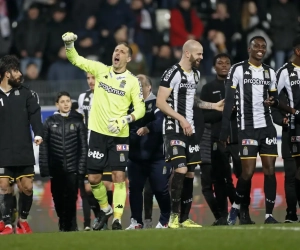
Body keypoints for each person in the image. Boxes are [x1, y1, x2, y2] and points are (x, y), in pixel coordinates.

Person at [62, 32, 145, 230]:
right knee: (93, 179)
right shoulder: (100, 70)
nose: (117, 53)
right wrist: (69, 44)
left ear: (128, 58)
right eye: (116, 50)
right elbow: (76, 59)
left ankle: (116, 218)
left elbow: (140, 108)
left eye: (122, 51)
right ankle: (105, 208)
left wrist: (125, 119)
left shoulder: (133, 81)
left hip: (119, 135)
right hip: (98, 133)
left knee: (118, 177)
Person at [220, 36, 293, 224]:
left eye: (263, 46)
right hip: (247, 128)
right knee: (248, 172)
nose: (260, 49)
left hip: (267, 128)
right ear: (249, 49)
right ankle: (235, 207)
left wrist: (281, 119)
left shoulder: (270, 72)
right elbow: (229, 102)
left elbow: (275, 103)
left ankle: (269, 215)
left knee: (270, 170)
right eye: (257, 46)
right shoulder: (237, 69)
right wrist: (224, 131)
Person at [156, 39, 224, 228]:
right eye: (199, 54)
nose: (201, 57)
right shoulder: (172, 73)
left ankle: (184, 218)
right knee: (181, 170)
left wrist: (212, 106)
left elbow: (191, 99)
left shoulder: (195, 74)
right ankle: (173, 217)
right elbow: (160, 102)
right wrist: (181, 119)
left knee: (189, 174)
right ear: (187, 53)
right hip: (174, 130)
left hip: (190, 130)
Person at [0, 55, 43, 235]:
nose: (20, 73)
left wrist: (38, 133)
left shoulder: (27, 93)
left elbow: (35, 116)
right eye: (16, 71)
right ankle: (7, 223)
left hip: (23, 148)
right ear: (7, 74)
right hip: (2, 151)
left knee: (26, 186)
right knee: (4, 186)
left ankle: (22, 221)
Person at [126, 74, 171, 230]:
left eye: (140, 84)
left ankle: (165, 218)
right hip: (135, 157)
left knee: (160, 189)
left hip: (156, 157)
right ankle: (136, 221)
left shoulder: (157, 103)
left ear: (148, 87)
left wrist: (147, 128)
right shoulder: (128, 104)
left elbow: (159, 123)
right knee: (135, 190)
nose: (137, 88)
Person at [39, 91, 88, 232]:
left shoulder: (78, 122)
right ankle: (64, 223)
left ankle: (71, 228)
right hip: (56, 169)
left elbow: (83, 147)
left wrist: (81, 168)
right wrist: (45, 168)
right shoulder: (49, 122)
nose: (66, 104)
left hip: (73, 169)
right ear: (57, 104)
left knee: (72, 199)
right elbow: (44, 147)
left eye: (68, 101)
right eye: (62, 101)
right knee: (58, 200)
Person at [78, 73, 113, 231]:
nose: (91, 81)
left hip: (106, 145)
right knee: (88, 187)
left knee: (107, 185)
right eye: (88, 78)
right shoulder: (82, 97)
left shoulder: (109, 95)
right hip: (89, 146)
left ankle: (105, 219)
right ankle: (101, 215)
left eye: (94, 78)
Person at [273, 36, 300, 222]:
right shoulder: (284, 72)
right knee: (291, 174)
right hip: (292, 130)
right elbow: (272, 101)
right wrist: (281, 120)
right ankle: (291, 213)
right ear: (298, 51)